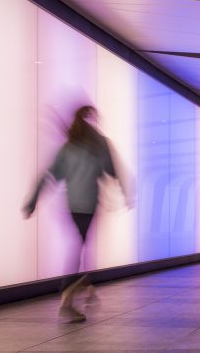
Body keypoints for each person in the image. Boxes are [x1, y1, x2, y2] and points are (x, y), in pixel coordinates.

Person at [23, 105, 129, 323]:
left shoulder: (69, 147)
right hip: (87, 206)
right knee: (78, 248)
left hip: (72, 206)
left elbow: (50, 175)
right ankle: (67, 300)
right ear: (92, 120)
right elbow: (112, 170)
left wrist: (33, 199)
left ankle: (85, 288)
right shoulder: (99, 144)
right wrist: (125, 192)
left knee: (80, 247)